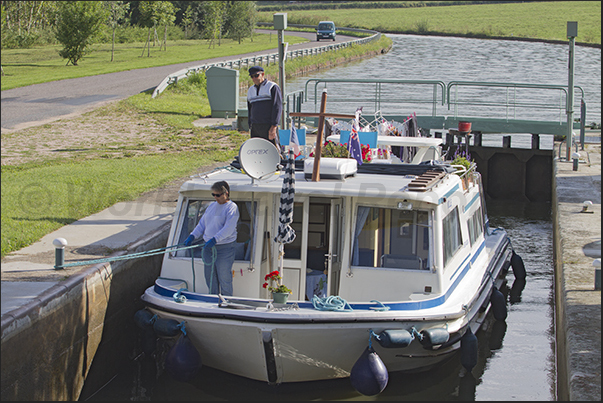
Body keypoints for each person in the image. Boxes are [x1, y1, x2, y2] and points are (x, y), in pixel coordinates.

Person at [183, 181, 239, 296]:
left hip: (224, 248)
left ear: (226, 193)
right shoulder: (212, 206)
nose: (215, 197)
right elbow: (202, 224)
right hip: (208, 248)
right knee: (210, 277)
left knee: (224, 277)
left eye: (218, 195)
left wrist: (215, 239)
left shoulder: (232, 208)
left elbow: (228, 229)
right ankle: (213, 300)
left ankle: (227, 301)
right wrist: (192, 236)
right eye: (213, 195)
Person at [246, 65, 283, 149]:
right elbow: (250, 109)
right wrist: (250, 125)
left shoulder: (272, 87)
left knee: (273, 149)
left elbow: (277, 107)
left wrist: (274, 126)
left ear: (262, 74)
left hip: (268, 125)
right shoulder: (251, 90)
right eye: (252, 76)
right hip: (255, 126)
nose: (254, 78)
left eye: (256, 75)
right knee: (257, 149)